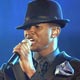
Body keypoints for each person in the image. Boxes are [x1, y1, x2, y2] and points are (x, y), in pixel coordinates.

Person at [0, 0, 80, 80]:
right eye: (27, 27)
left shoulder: (75, 68)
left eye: (37, 27)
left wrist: (31, 71)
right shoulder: (9, 70)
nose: (28, 32)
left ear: (55, 31)